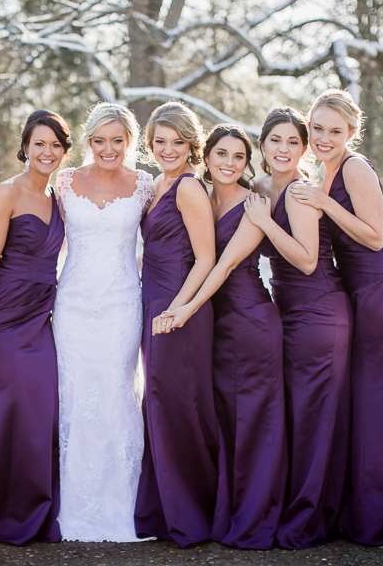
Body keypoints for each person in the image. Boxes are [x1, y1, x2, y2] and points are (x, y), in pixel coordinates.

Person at [291, 89, 383, 544]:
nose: (323, 138)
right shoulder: (323, 169)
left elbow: (375, 237)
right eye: (317, 129)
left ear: (352, 133)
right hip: (356, 294)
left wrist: (324, 202)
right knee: (367, 404)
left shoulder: (354, 167)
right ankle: (369, 508)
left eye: (335, 131)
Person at [158, 124, 286, 549]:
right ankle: (226, 513)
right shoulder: (197, 196)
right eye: (222, 154)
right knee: (227, 424)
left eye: (238, 157)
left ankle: (253, 522)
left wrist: (185, 309)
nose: (229, 163)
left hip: (250, 322)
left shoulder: (254, 204)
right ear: (207, 156)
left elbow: (225, 265)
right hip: (215, 326)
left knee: (253, 424)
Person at [243, 107, 352, 549]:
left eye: (293, 142)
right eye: (276, 141)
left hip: (319, 311)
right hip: (286, 311)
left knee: (312, 418)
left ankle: (308, 518)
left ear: (303, 148)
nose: (283, 149)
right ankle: (288, 503)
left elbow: (307, 260)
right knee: (295, 413)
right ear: (263, 145)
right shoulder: (260, 185)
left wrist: (266, 221)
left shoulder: (302, 192)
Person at [0, 109, 69, 545]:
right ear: (24, 147)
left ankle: (37, 508)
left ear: (64, 152)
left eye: (55, 145)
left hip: (41, 318)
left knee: (41, 411)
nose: (47, 152)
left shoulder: (59, 195)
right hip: (4, 317)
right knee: (7, 413)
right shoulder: (6, 193)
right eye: (39, 144)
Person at [52, 102, 154, 542]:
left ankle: (124, 503)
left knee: (116, 393)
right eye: (99, 141)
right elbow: (45, 239)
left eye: (117, 140)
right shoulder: (64, 181)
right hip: (72, 303)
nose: (108, 149)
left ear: (129, 142)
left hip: (121, 304)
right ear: (88, 141)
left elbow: (163, 240)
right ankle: (73, 505)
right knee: (74, 396)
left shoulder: (145, 185)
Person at [135, 102, 219, 547]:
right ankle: (164, 511)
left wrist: (178, 309)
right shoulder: (155, 185)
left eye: (178, 142)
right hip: (154, 302)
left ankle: (194, 513)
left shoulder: (189, 187)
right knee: (160, 403)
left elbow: (206, 257)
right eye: (160, 141)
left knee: (178, 404)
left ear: (192, 145)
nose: (169, 149)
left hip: (180, 308)